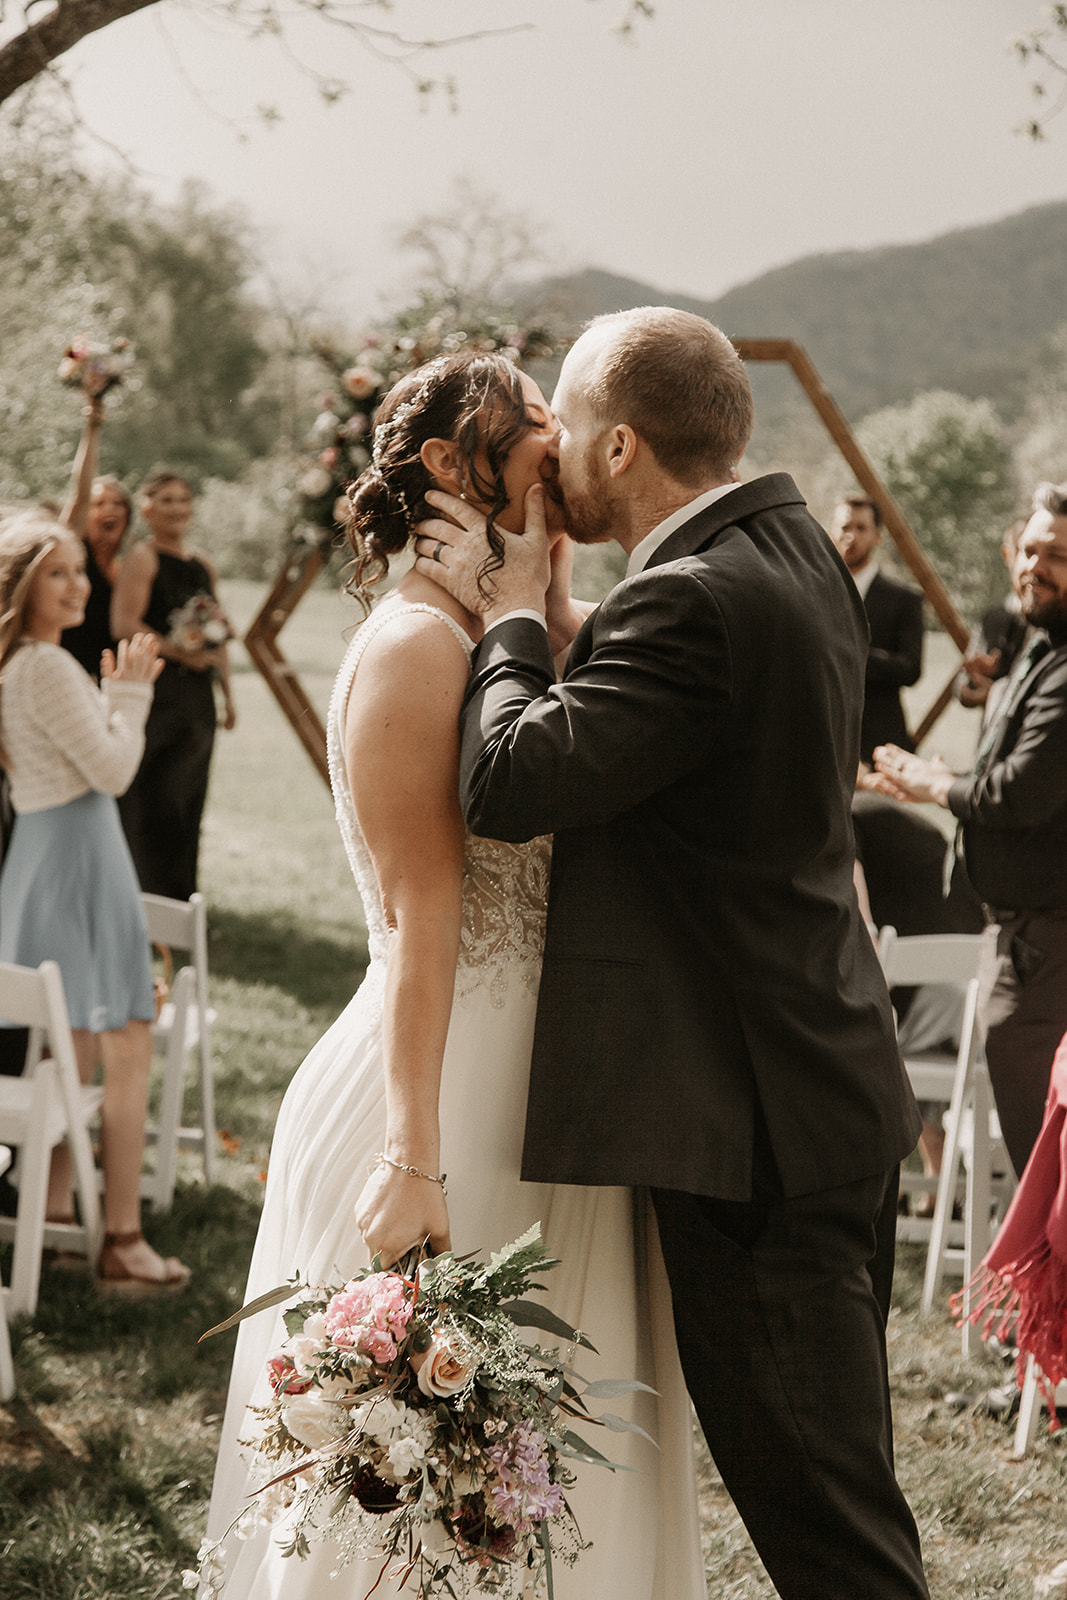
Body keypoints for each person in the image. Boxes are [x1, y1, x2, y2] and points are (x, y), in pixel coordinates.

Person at [415, 308, 930, 1600]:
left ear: (624, 445)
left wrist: (514, 612)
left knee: (834, 1542)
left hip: (756, 1148)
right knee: (846, 1499)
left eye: (570, 438)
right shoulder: (796, 549)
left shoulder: (689, 601)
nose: (555, 467)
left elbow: (507, 777)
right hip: (833, 1092)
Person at [203, 351, 705, 1600]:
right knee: (417, 1499)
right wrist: (412, 1157)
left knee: (552, 1475)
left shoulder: (506, 626)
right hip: (441, 1097)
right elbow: (426, 915)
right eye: (529, 414)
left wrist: (546, 575)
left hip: (552, 1100)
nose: (558, 428)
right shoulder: (421, 646)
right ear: (443, 463)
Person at [0, 512, 190, 1289]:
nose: (78, 584)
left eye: (81, 570)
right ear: (20, 586)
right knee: (128, 1042)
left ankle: (47, 1223)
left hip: (52, 855)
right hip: (80, 859)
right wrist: (132, 696)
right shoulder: (42, 665)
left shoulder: (21, 665)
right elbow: (112, 770)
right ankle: (121, 1238)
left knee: (71, 1051)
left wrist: (110, 697)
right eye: (58, 572)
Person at [873, 481, 1067, 1182]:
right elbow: (1003, 759)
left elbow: (1018, 792)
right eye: (1030, 550)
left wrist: (935, 787)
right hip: (1019, 940)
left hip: (1046, 950)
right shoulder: (1035, 646)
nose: (1033, 566)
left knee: (1044, 1176)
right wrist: (938, 777)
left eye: (1056, 556)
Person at [111, 473, 236, 901]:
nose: (177, 508)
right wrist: (179, 652)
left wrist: (229, 695)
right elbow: (124, 623)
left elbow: (218, 632)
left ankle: (179, 902)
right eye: (166, 500)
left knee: (187, 798)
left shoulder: (203, 564)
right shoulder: (143, 558)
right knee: (149, 796)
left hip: (198, 700)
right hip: (156, 693)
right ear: (146, 509)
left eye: (183, 499)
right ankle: (137, 898)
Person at [828, 494, 924, 763]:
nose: (852, 536)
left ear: (877, 536)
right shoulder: (812, 591)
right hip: (821, 739)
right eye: (845, 527)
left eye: (861, 528)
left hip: (878, 741)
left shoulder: (904, 599)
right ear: (831, 531)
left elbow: (911, 668)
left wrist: (856, 655)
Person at [58, 392, 133, 678]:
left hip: (110, 681)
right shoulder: (74, 548)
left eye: (117, 504)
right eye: (99, 504)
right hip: (69, 673)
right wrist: (92, 428)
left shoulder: (130, 564)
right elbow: (80, 493)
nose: (109, 510)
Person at [954, 516, 1029, 724]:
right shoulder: (995, 616)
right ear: (1007, 554)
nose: (1032, 564)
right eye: (1024, 550)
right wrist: (973, 681)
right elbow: (962, 682)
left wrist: (997, 695)